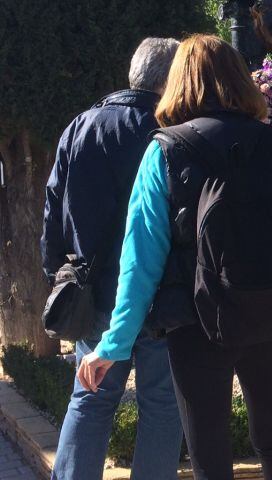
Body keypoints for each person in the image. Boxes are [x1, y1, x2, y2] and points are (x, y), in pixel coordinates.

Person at [78, 34, 272, 480]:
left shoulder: (166, 151)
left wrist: (111, 347)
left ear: (179, 82)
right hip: (270, 311)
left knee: (209, 453)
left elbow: (141, 265)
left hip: (197, 322)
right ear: (239, 79)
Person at [41, 38, 183, 480]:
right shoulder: (175, 132)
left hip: (96, 291)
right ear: (169, 79)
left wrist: (57, 276)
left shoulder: (80, 126)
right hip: (162, 294)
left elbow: (53, 208)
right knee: (162, 406)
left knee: (90, 400)